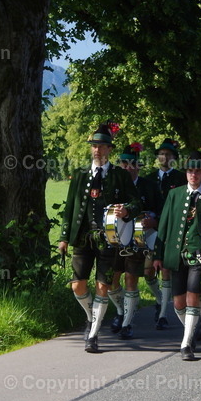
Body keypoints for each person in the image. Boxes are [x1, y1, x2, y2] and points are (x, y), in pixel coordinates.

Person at [59, 123, 140, 353]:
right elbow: (69, 208)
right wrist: (64, 238)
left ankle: (93, 335)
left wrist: (127, 211)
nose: (97, 150)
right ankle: (90, 317)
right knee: (77, 286)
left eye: (102, 146)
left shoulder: (120, 176)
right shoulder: (80, 175)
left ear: (109, 149)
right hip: (82, 238)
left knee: (102, 286)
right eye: (94, 146)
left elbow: (136, 203)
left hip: (109, 239)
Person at [152, 151, 201, 361]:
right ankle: (191, 330)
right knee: (178, 303)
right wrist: (158, 254)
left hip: (199, 256)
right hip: (176, 255)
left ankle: (186, 343)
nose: (193, 175)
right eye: (190, 171)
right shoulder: (175, 194)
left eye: (198, 171)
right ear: (186, 173)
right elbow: (163, 226)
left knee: (193, 295)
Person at [107, 143, 163, 339]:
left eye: (132, 164)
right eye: (124, 163)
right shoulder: (113, 185)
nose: (128, 168)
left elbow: (163, 213)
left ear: (138, 166)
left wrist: (154, 221)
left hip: (142, 237)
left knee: (137, 276)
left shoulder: (149, 185)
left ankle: (127, 323)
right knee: (111, 279)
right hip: (116, 238)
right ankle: (120, 312)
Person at [151, 138, 187, 331]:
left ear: (174, 158)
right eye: (162, 154)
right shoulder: (149, 178)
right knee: (148, 271)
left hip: (172, 228)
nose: (164, 157)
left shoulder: (181, 178)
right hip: (151, 229)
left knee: (165, 270)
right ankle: (159, 300)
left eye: (168, 154)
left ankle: (163, 313)